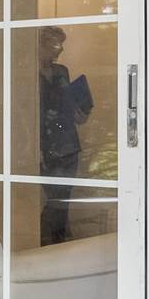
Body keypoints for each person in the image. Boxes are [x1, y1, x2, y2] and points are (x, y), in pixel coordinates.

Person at [34, 26, 93, 245]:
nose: (60, 51)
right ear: (40, 45)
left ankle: (56, 241)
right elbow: (26, 112)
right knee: (53, 197)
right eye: (55, 45)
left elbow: (71, 106)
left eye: (61, 45)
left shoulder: (62, 72)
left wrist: (82, 112)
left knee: (63, 197)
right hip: (45, 144)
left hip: (68, 142)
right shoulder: (28, 73)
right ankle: (48, 240)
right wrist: (34, 147)